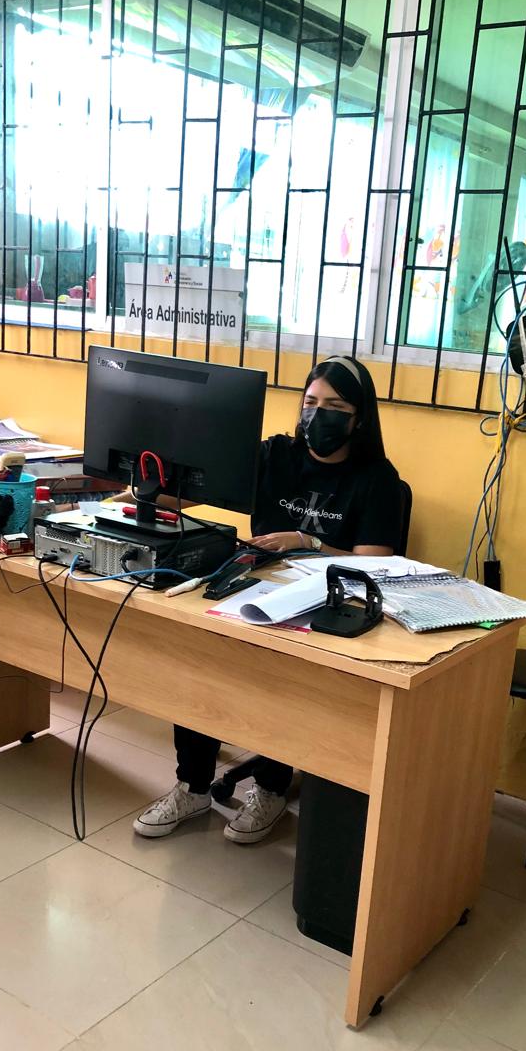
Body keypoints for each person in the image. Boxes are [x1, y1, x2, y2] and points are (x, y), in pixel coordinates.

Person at [133, 354, 402, 845]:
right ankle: (192, 787)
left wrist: (308, 541)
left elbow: (374, 562)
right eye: (311, 402)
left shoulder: (377, 478)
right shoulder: (274, 455)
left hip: (325, 603)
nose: (318, 415)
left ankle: (272, 790)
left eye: (335, 407)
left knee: (284, 677)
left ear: (359, 418)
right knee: (200, 657)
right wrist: (145, 485)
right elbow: (196, 493)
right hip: (253, 587)